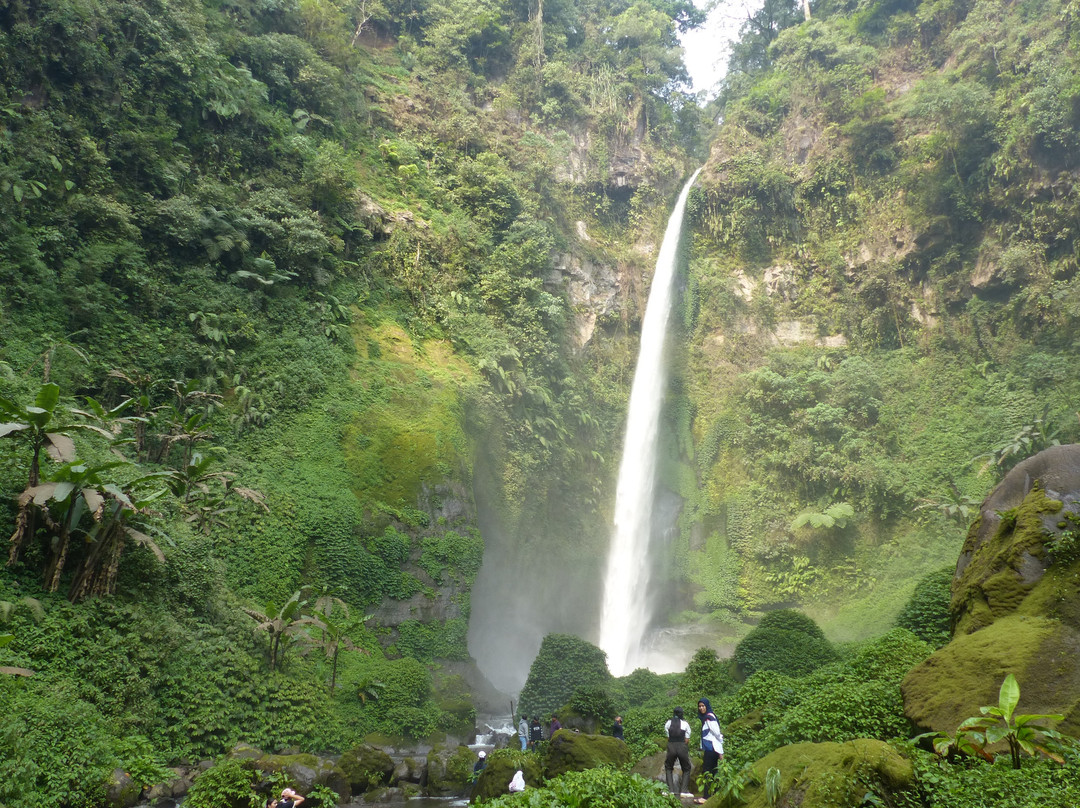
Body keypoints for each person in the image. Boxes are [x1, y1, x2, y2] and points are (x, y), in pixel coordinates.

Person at [696, 697, 723, 804]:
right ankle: (715, 793)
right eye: (700, 706)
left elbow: (717, 733)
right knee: (713, 771)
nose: (701, 708)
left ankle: (706, 797)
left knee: (707, 771)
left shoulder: (709, 718)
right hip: (712, 748)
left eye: (703, 706)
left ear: (707, 706)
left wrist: (721, 751)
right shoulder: (708, 717)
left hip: (711, 749)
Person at [664, 706, 693, 798]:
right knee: (686, 768)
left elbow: (668, 737)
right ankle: (683, 791)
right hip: (682, 745)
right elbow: (687, 739)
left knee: (668, 767)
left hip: (671, 745)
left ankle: (670, 790)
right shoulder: (685, 724)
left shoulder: (668, 723)